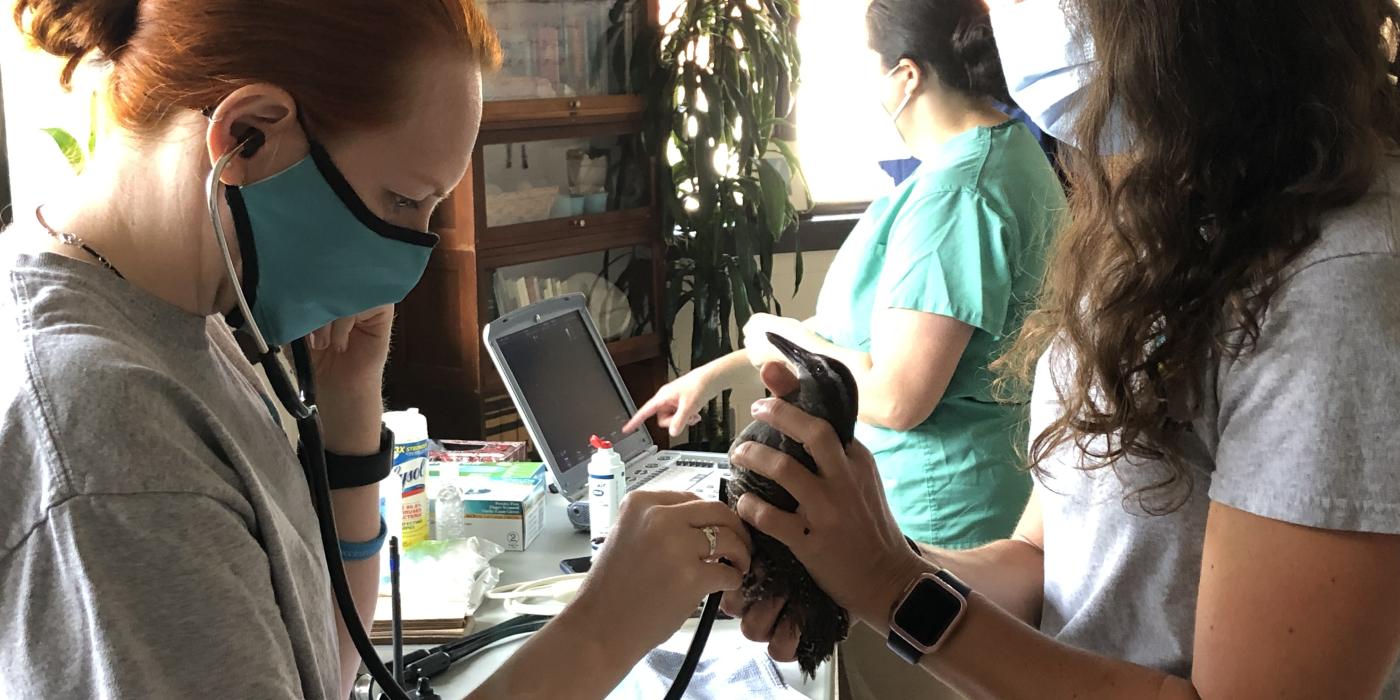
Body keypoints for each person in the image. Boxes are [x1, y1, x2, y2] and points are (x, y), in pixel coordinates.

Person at [0, 2, 750, 698]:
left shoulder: (188, 317)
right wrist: (599, 631)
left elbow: (325, 659)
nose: (413, 253)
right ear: (247, 135)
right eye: (402, 201)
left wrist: (351, 407)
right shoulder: (113, 440)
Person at [723, 0, 1400, 697]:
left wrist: (893, 589)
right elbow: (1043, 563)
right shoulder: (1151, 228)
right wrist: (856, 561)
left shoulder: (1340, 284)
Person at [628, 0, 1067, 549]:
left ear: (907, 74)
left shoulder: (958, 194)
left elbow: (897, 398)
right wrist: (714, 374)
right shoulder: (1005, 153)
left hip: (939, 517)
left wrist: (787, 342)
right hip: (979, 493)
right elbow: (863, 330)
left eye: (869, 64)